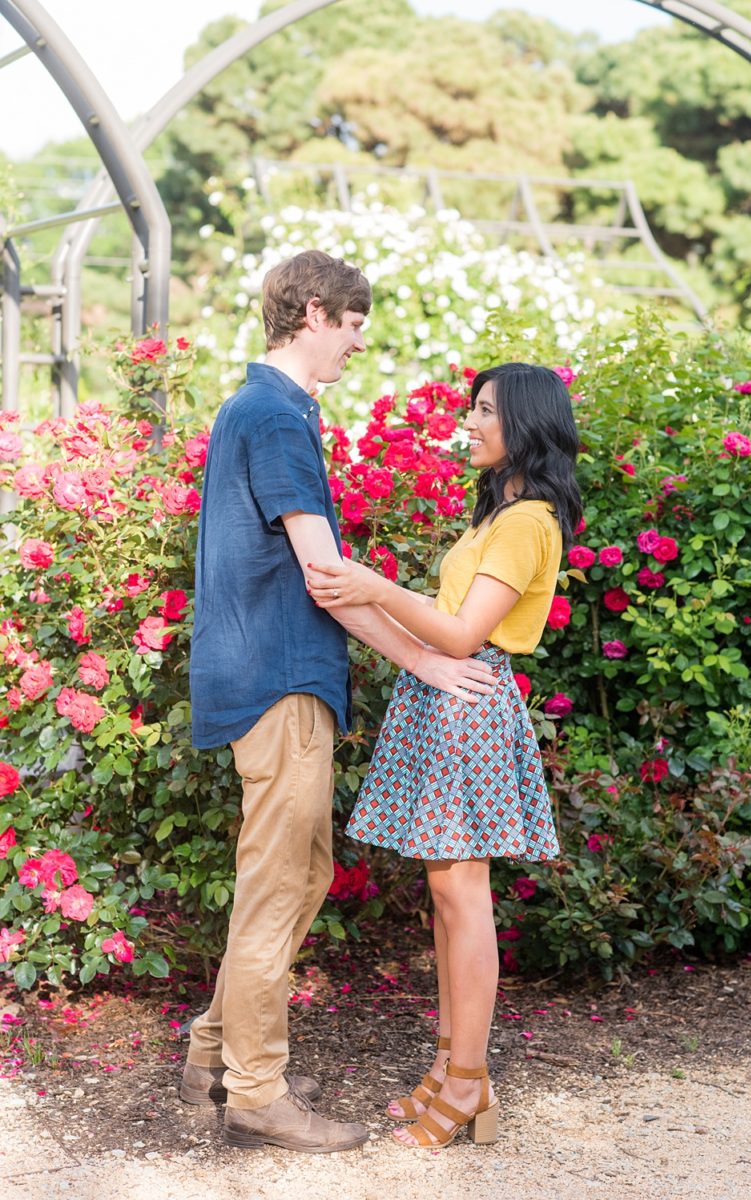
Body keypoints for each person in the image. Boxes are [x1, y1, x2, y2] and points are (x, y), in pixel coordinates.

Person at [183, 249, 497, 1155]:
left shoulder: (264, 410)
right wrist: (425, 662)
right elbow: (327, 575)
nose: (358, 343)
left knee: (298, 875)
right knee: (280, 887)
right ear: (314, 313)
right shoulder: (275, 413)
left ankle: (214, 1055)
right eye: (354, 326)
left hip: (280, 680)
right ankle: (255, 1092)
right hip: (279, 681)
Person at [306, 362, 582, 1150]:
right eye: (470, 407)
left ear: (524, 423)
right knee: (447, 895)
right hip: (446, 704)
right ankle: (455, 1068)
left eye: (485, 411)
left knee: (462, 898)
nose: (470, 421)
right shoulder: (496, 514)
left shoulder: (528, 520)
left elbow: (461, 635)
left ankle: (466, 1080)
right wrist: (379, 597)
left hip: (468, 702)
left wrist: (370, 585)